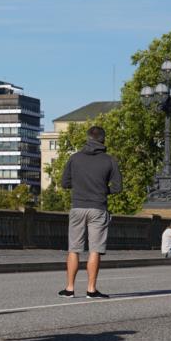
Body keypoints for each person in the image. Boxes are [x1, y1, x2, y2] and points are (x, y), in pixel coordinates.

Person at [58, 126, 122, 299]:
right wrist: (101, 190)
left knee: (74, 249)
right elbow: (117, 188)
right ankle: (91, 290)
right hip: (98, 208)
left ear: (87, 138)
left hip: (77, 206)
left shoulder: (75, 158)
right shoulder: (109, 160)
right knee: (95, 250)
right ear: (103, 139)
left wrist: (80, 187)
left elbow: (64, 183)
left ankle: (70, 288)